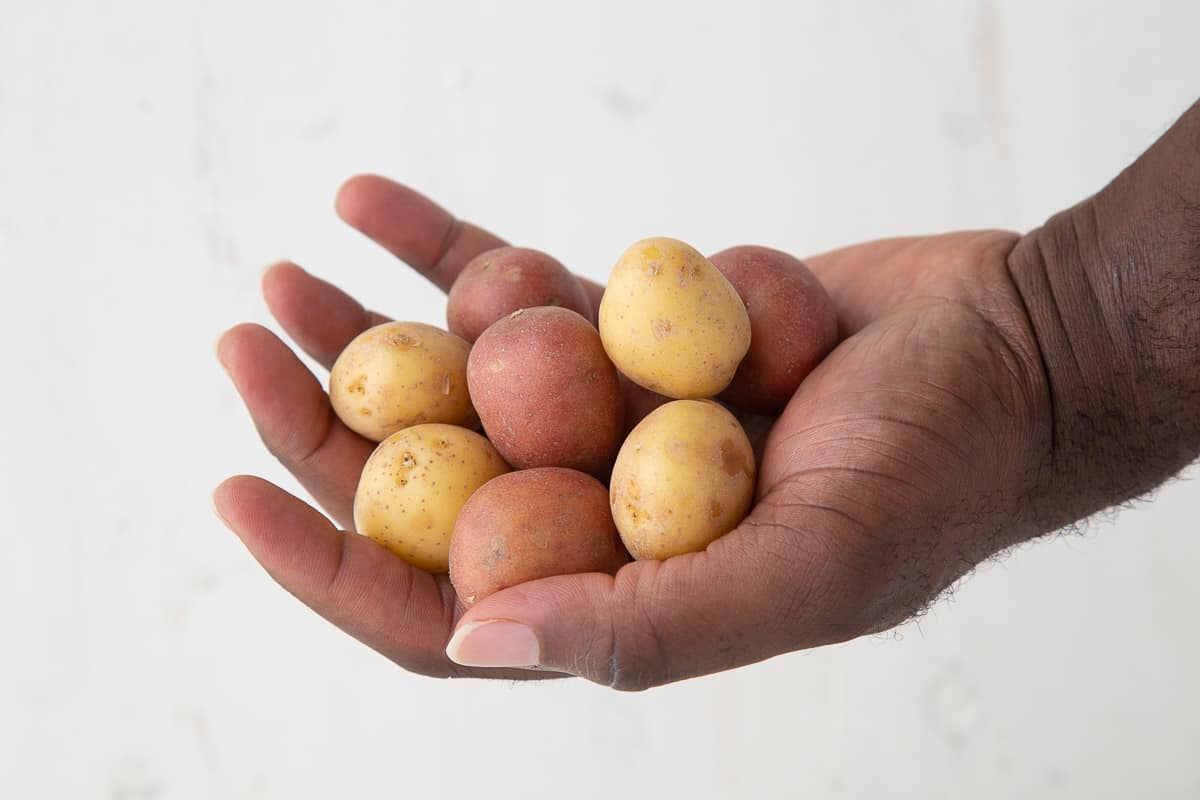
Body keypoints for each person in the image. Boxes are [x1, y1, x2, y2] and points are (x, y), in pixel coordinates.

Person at [213, 100, 1199, 690]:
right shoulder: (551, 413)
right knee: (513, 319)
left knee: (522, 325)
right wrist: (1052, 336)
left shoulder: (708, 380)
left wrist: (1046, 348)